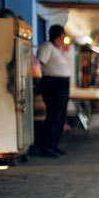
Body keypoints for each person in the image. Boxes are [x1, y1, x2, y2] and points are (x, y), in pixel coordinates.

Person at [37, 24, 72, 157]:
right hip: (52, 83)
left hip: (62, 84)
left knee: (61, 116)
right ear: (59, 35)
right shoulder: (47, 47)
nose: (64, 38)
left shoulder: (58, 49)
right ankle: (46, 146)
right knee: (53, 115)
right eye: (63, 35)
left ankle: (54, 144)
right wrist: (38, 84)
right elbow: (39, 65)